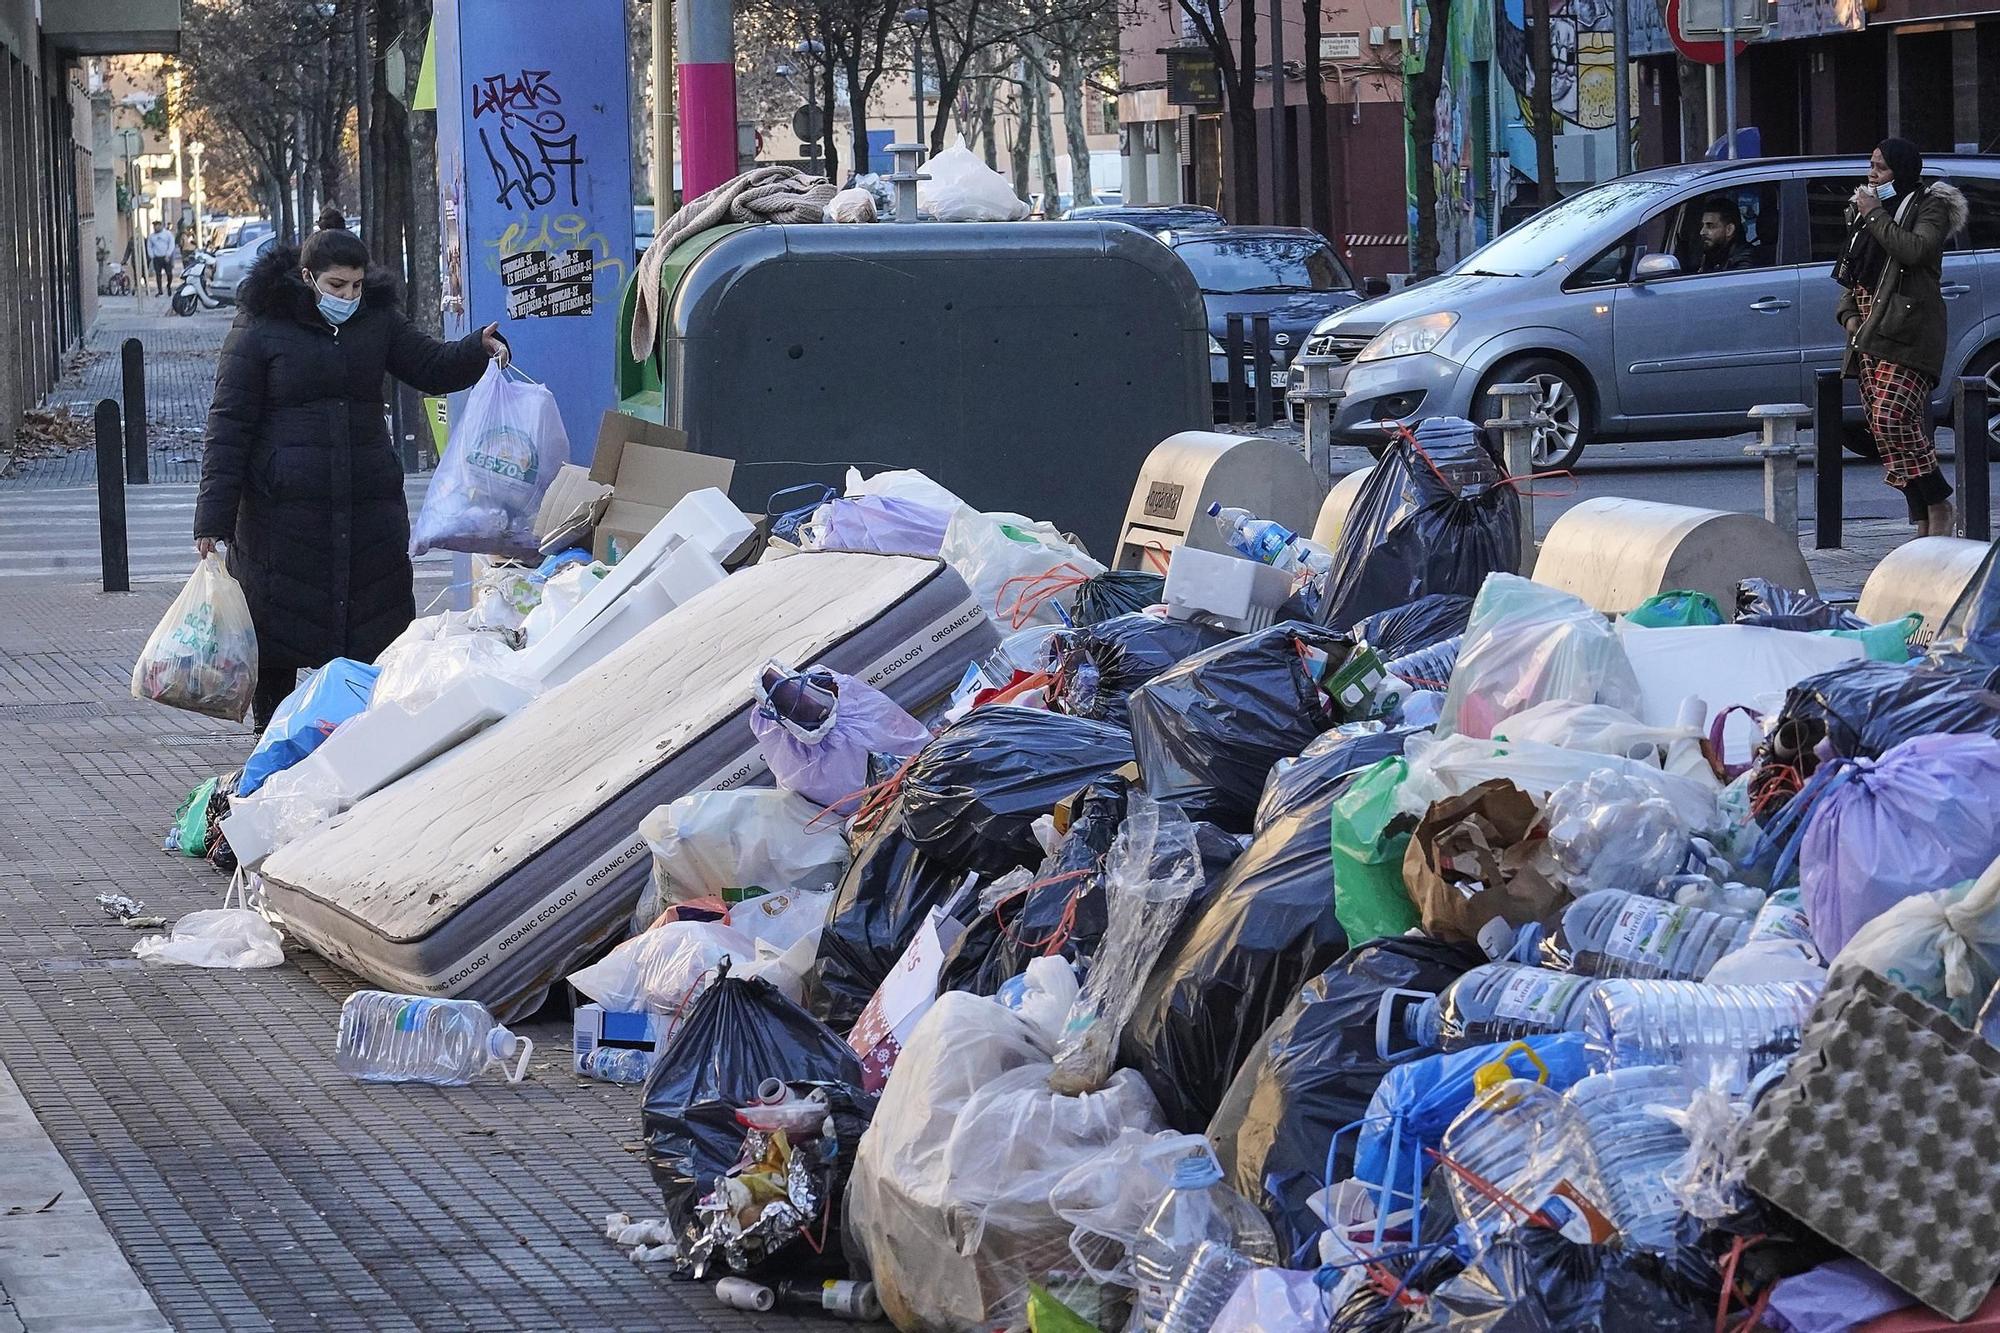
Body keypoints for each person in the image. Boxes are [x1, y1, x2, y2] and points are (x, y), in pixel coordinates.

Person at [193, 207, 510, 730]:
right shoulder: (262, 324)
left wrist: (476, 348)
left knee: (371, 637)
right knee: (279, 640)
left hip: (366, 511)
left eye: (357, 285)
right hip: (282, 518)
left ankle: (362, 741)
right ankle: (272, 745)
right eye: (336, 285)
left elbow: (428, 364)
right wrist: (212, 521)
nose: (347, 296)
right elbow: (228, 424)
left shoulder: (376, 320)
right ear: (307, 278)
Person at [1834, 138, 1968, 537]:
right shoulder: (1864, 213)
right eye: (1871, 165)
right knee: (1883, 429)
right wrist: (1847, 315)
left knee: (1894, 418)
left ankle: (1940, 502)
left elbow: (1916, 251)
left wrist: (1875, 214)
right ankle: (1924, 515)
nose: (1872, 175)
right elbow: (1852, 270)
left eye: (1881, 167)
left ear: (1903, 171)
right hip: (1869, 330)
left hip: (1909, 330)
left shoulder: (1930, 204)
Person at [1695, 197, 1755, 273]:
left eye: (1710, 226)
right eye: (1702, 226)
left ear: (1729, 229)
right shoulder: (1714, 253)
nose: (1702, 232)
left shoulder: (1744, 260)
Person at [145, 220, 177, 295]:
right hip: (157, 257)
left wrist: (168, 254)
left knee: (169, 273)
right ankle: (160, 290)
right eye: (154, 226)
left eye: (157, 226)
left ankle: (168, 285)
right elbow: (149, 246)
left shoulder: (167, 234)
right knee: (158, 274)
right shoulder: (152, 236)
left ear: (161, 226)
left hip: (166, 257)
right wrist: (152, 255)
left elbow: (171, 244)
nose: (156, 227)